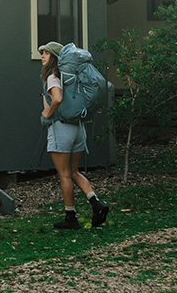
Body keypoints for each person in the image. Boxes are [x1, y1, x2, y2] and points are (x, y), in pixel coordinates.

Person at [38, 41, 110, 229]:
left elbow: (57, 99)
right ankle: (96, 204)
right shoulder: (71, 78)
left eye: (46, 53)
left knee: (64, 175)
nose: (42, 57)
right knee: (74, 172)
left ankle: (71, 217)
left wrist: (46, 114)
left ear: (54, 56)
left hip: (61, 128)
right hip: (78, 128)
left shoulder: (53, 77)